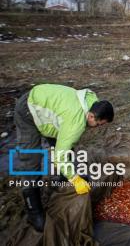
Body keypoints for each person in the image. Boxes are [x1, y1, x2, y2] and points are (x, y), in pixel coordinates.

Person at [14, 84, 114, 232]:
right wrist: (76, 179)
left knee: (66, 146)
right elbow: (59, 156)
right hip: (29, 109)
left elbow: (65, 144)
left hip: (50, 109)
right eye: (98, 124)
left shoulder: (93, 102)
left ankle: (64, 177)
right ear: (91, 116)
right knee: (31, 161)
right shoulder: (76, 123)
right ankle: (33, 212)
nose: (97, 127)